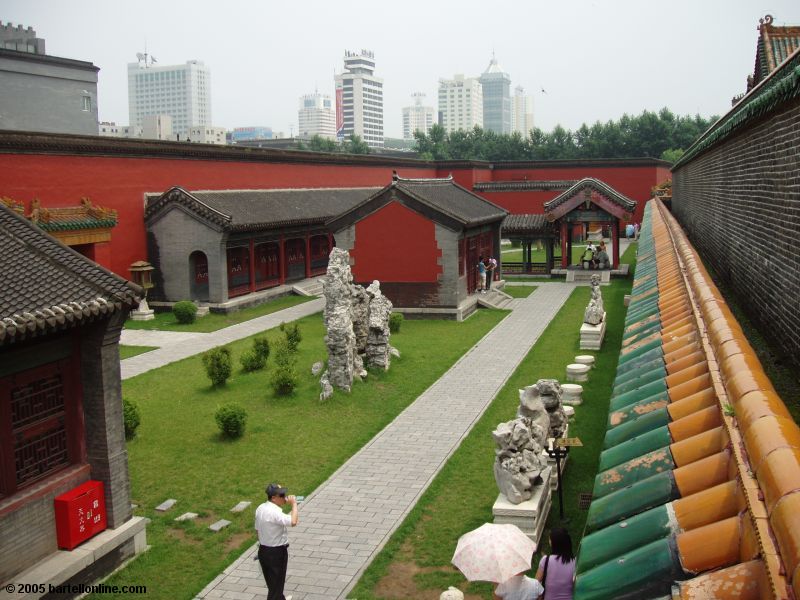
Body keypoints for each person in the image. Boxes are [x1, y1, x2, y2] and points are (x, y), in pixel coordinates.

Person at [255, 483, 299, 600]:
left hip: (264, 550)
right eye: (282, 495)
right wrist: (294, 504)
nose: (284, 497)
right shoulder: (274, 512)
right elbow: (293, 521)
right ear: (273, 498)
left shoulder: (260, 508)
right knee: (276, 588)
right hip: (276, 553)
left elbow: (257, 530)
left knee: (273, 585)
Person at [535, 528, 575, 600]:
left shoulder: (545, 560)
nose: (549, 541)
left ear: (555, 543)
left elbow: (535, 585)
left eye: (550, 540)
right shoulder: (575, 562)